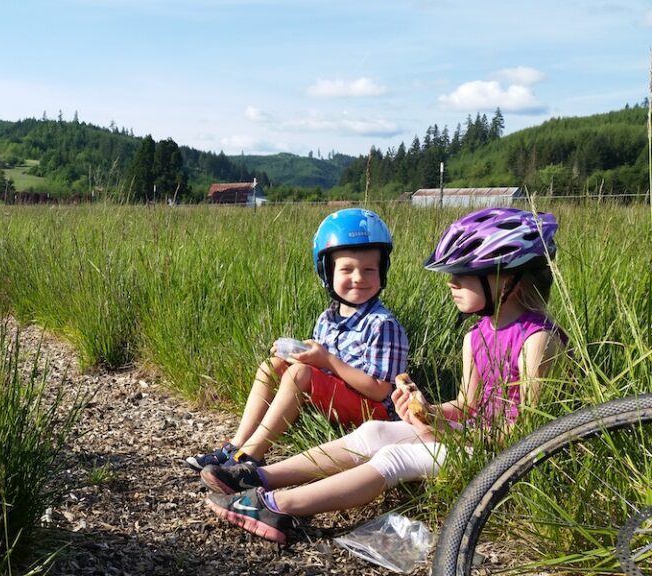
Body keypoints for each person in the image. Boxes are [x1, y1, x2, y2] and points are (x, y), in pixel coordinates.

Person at [202, 207, 566, 544]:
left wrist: (442, 430)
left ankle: (280, 505)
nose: (452, 283)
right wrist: (428, 411)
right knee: (373, 432)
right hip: (467, 436)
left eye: (466, 274)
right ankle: (259, 475)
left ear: (509, 280)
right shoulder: (476, 336)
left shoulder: (538, 341)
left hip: (500, 456)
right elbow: (469, 404)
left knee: (394, 459)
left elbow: (529, 435)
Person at [185, 208, 409, 472]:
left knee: (300, 374)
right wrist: (299, 353)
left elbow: (381, 390)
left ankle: (250, 457)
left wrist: (325, 359)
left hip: (373, 412)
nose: (359, 278)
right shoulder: (329, 317)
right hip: (339, 398)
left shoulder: (383, 325)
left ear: (382, 271)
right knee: (273, 366)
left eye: (369, 269)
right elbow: (320, 366)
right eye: (347, 269)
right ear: (328, 272)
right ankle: (237, 444)